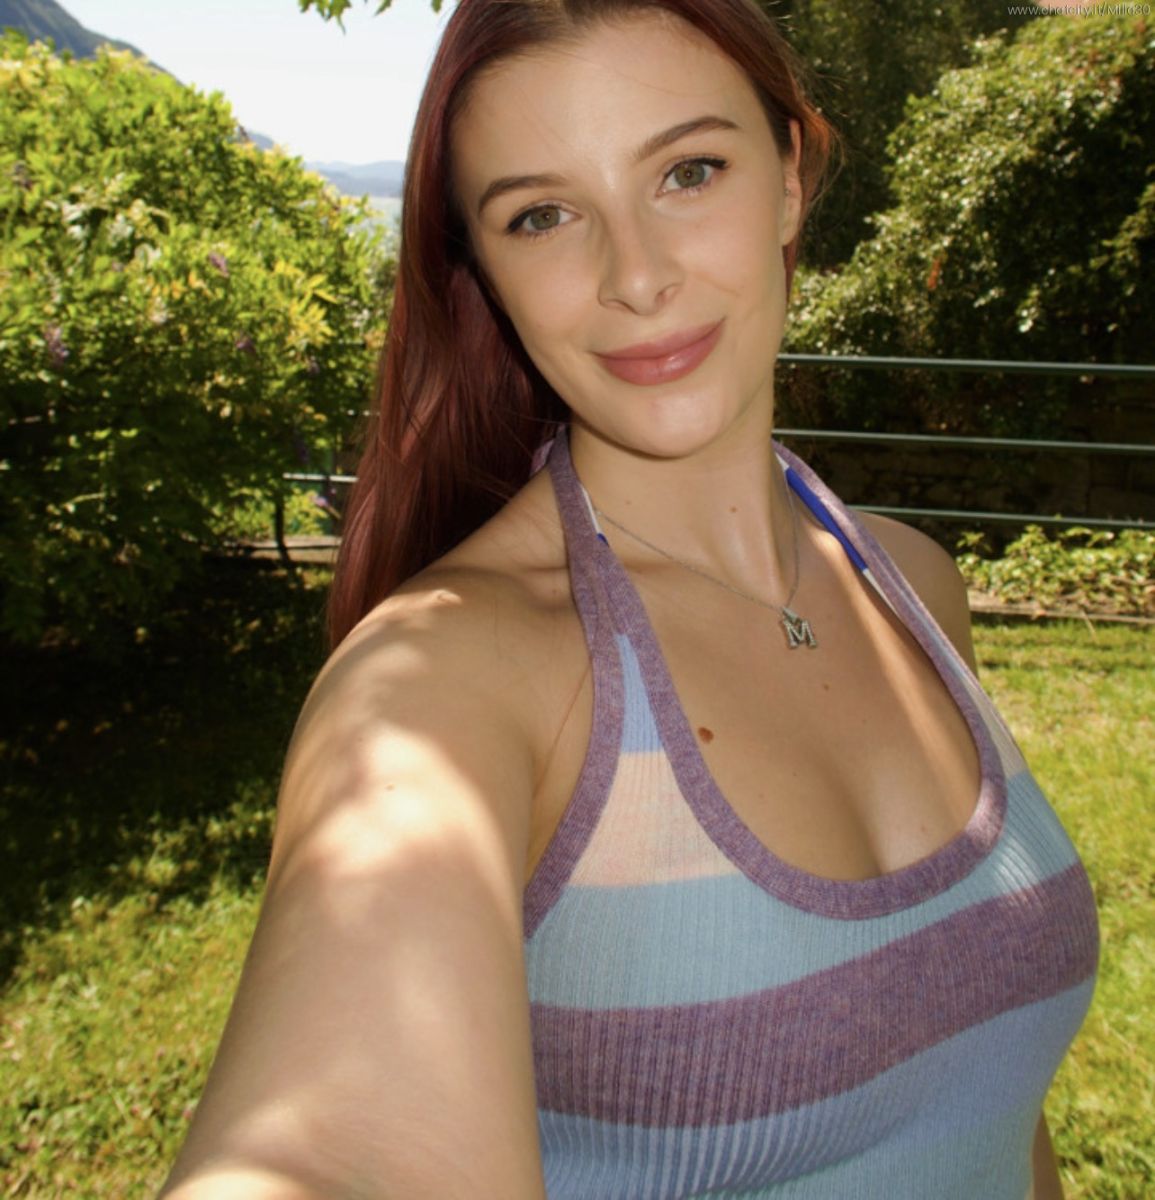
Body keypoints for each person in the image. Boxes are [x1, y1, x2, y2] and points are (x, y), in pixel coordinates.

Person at [159, 0, 1099, 1196]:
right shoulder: (443, 687)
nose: (638, 277)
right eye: (542, 216)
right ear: (484, 271)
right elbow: (325, 1155)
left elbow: (1000, 1121)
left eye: (689, 172)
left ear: (790, 180)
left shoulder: (912, 586)